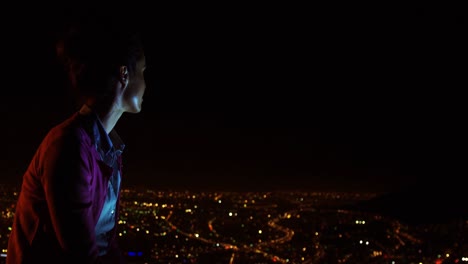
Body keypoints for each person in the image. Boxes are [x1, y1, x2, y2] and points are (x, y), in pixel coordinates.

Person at [7, 11, 147, 264]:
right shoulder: (67, 147)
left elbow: (104, 241)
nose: (146, 84)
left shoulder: (109, 152)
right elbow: (79, 251)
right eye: (143, 72)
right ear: (124, 75)